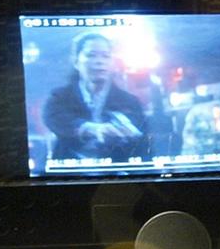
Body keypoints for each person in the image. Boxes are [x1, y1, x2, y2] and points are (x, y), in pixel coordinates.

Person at [42, 31, 148, 161]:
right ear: (76, 62)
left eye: (105, 56)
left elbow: (141, 143)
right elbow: (54, 119)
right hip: (71, 173)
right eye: (91, 55)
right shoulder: (59, 97)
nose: (99, 62)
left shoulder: (130, 102)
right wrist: (91, 129)